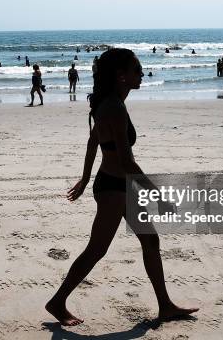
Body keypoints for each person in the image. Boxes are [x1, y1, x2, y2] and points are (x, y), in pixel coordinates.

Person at [45, 48, 198, 326]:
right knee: (97, 249)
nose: (141, 73)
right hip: (114, 188)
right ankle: (57, 302)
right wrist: (158, 196)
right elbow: (127, 161)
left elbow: (93, 141)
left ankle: (165, 305)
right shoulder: (113, 108)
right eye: (136, 69)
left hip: (119, 185)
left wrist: (86, 177)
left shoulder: (113, 103)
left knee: (150, 240)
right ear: (121, 76)